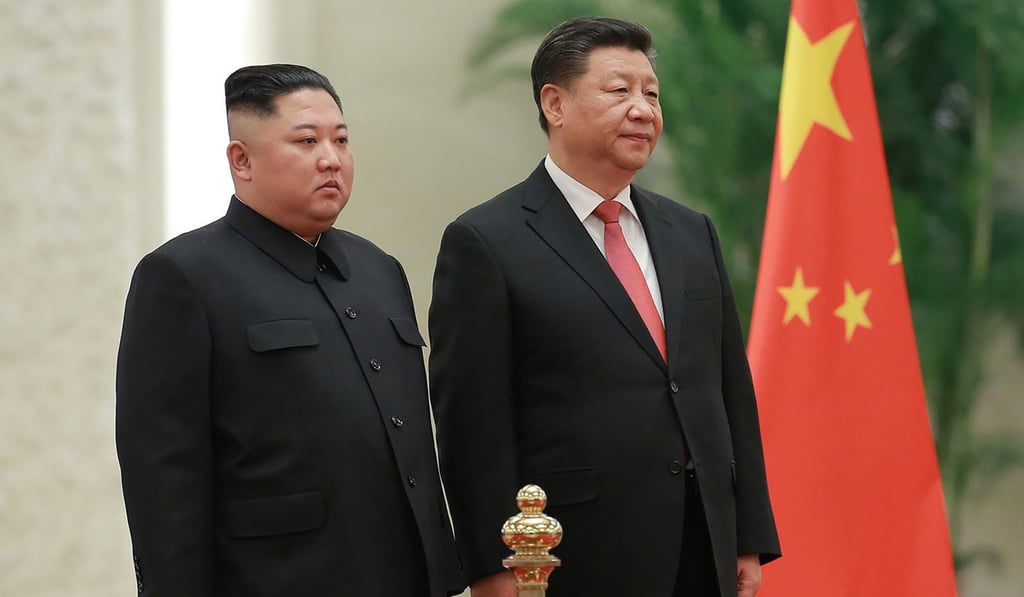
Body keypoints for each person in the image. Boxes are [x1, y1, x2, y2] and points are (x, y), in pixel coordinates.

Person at [429, 17, 780, 597]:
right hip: (570, 553)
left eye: (652, 93)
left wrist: (747, 534)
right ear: (555, 103)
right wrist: (493, 565)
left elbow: (728, 392)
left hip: (703, 543)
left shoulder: (692, 233)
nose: (643, 109)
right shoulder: (486, 241)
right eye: (620, 91)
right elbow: (471, 425)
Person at [115, 63, 464, 597]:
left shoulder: (379, 268)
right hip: (279, 577)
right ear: (242, 160)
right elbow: (163, 472)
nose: (331, 159)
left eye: (341, 140)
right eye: (306, 141)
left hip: (406, 574)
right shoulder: (185, 275)